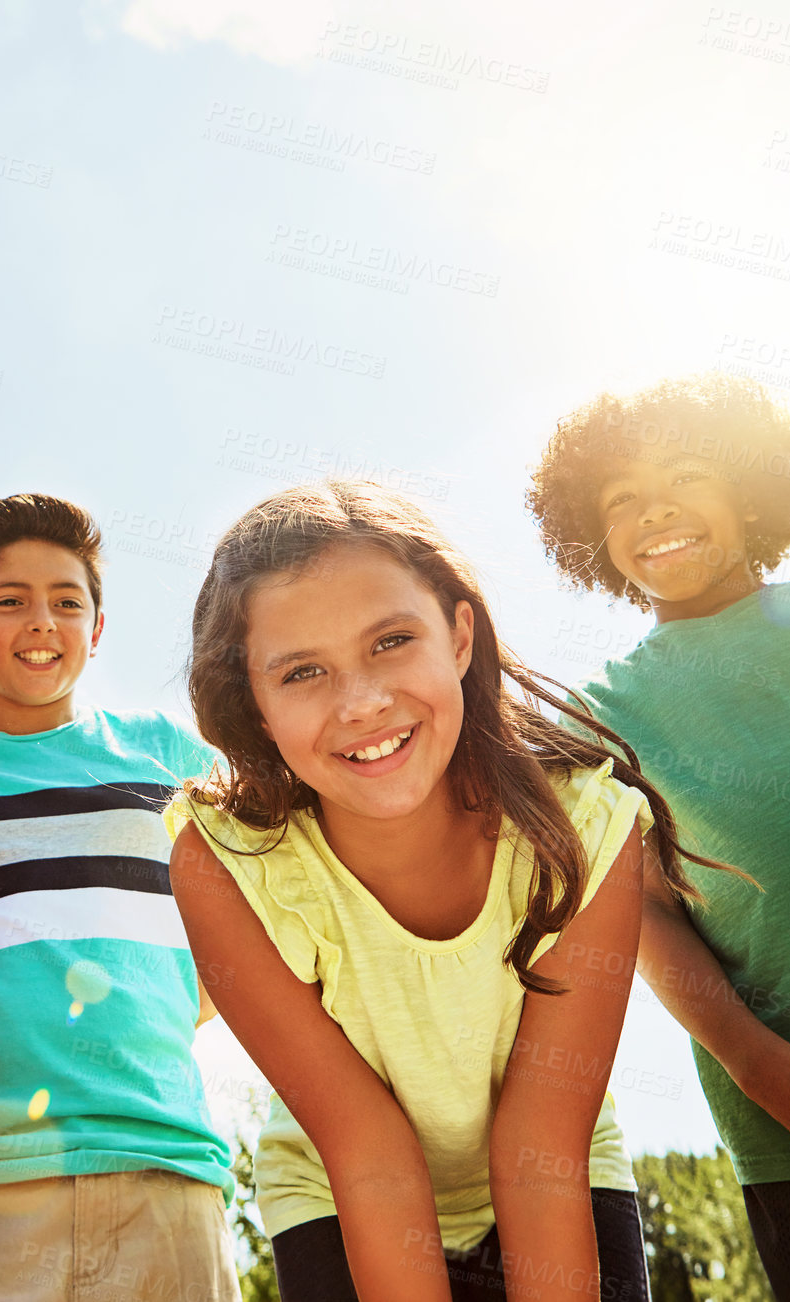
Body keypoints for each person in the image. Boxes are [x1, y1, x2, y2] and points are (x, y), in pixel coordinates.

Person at [166, 480, 718, 1301]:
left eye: (390, 641)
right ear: (253, 702)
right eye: (302, 671)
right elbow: (368, 1157)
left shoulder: (585, 830)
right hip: (335, 1188)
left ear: (459, 636)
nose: (360, 701)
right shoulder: (224, 864)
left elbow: (543, 1151)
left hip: (550, 1162)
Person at [527, 371, 790, 1301]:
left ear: (749, 489)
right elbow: (636, 913)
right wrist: (778, 1080)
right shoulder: (598, 721)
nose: (656, 513)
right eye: (621, 499)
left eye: (687, 476)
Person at [0, 493, 240, 1302]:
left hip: (167, 1162)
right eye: (10, 602)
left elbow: (265, 898)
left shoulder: (163, 752)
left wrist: (181, 992)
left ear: (96, 630)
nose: (42, 622)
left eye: (66, 603)